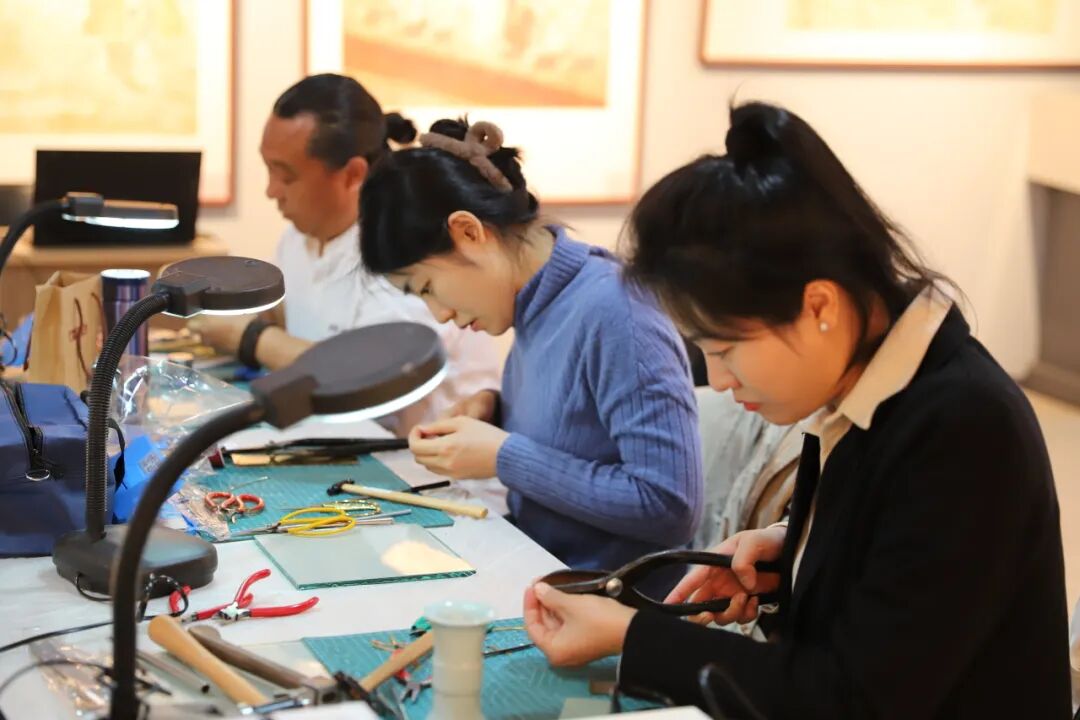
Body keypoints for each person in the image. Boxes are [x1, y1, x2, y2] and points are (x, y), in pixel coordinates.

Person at [523, 101, 1072, 718]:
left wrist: (632, 635)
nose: (718, 380)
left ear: (819, 307)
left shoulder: (962, 427)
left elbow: (853, 699)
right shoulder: (866, 385)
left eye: (724, 350)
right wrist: (798, 549)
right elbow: (911, 561)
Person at [357, 118, 703, 590]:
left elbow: (670, 507)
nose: (440, 314)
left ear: (469, 231)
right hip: (539, 575)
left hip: (607, 606)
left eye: (427, 287)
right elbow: (580, 425)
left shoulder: (617, 313)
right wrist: (495, 409)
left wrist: (504, 456)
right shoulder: (537, 303)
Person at [191, 74, 501, 433]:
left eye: (286, 176)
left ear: (352, 174)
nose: (271, 191)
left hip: (416, 456)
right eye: (268, 169)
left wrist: (251, 339)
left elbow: (370, 377)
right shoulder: (298, 238)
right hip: (331, 437)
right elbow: (297, 313)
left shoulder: (405, 251)